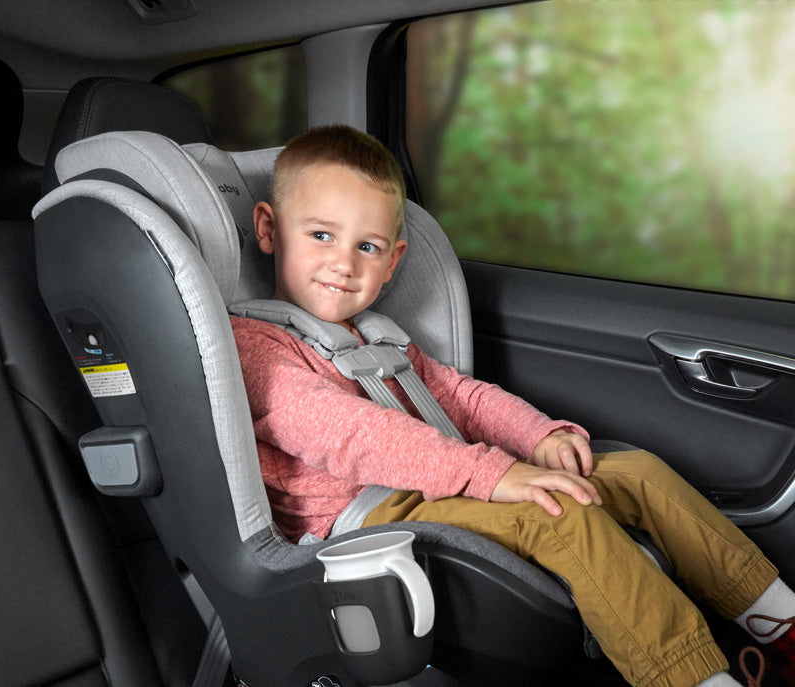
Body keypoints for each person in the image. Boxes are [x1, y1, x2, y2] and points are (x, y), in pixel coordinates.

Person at [229, 124, 795, 687]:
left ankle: (779, 624)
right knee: (557, 512)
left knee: (639, 473)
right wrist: (491, 473)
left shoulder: (378, 337)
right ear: (269, 229)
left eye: (367, 247)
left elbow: (463, 397)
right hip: (363, 518)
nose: (344, 263)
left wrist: (539, 436)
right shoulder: (256, 348)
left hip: (437, 482)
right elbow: (351, 435)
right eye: (321, 235)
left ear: (393, 260)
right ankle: (690, 678)